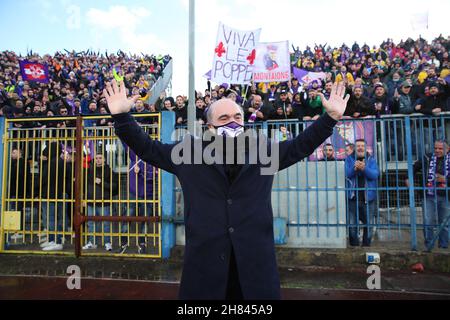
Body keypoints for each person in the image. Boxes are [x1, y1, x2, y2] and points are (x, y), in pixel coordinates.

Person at [105, 79, 349, 299]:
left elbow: (300, 146)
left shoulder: (263, 153)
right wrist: (122, 117)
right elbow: (148, 148)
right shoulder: (187, 154)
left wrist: (330, 119)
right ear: (208, 126)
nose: (232, 123)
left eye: (237, 117)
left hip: (255, 272)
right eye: (223, 119)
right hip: (205, 272)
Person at [406, 140, 449, 250]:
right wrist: (408, 177)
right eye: (435, 148)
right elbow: (414, 167)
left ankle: (443, 246)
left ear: (447, 149)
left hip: (446, 196)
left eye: (440, 148)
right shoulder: (427, 157)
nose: (437, 151)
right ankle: (429, 245)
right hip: (429, 195)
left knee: (444, 222)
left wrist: (446, 179)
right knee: (427, 221)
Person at [345, 139, 380, 247]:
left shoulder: (371, 160)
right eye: (358, 146)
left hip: (368, 199)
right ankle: (354, 247)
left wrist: (364, 168)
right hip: (353, 198)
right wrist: (355, 168)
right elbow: (347, 174)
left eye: (362, 146)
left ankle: (366, 246)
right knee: (352, 225)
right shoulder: (349, 159)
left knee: (369, 225)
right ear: (355, 148)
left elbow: (375, 175)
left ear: (366, 148)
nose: (360, 148)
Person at [83, 151, 118, 251]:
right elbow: (86, 186)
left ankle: (107, 243)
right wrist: (85, 198)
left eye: (100, 158)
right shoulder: (90, 170)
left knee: (106, 223)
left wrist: (101, 182)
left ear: (104, 159)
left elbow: (114, 187)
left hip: (104, 201)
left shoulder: (109, 171)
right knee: (91, 223)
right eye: (97, 158)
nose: (98, 160)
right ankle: (92, 242)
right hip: (91, 201)